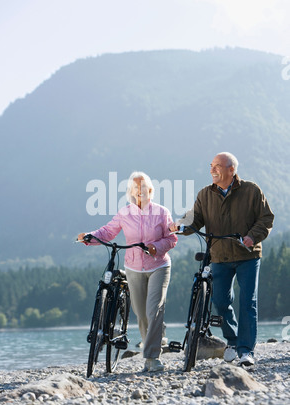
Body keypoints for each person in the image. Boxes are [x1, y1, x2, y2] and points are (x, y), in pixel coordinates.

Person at [170, 152, 274, 367]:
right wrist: (179, 226)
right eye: (211, 165)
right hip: (219, 255)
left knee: (248, 303)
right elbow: (195, 219)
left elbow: (266, 218)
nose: (212, 170)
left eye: (218, 166)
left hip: (248, 254)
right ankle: (233, 341)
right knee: (220, 301)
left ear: (231, 169)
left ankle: (246, 351)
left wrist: (252, 236)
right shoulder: (205, 194)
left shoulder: (251, 190)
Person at [78, 171, 177, 372]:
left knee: (153, 309)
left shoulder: (161, 212)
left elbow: (171, 239)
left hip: (158, 265)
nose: (139, 191)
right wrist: (89, 236)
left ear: (150, 190)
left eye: (143, 188)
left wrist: (155, 247)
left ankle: (151, 358)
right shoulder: (125, 213)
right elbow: (107, 231)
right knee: (141, 314)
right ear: (131, 192)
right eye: (135, 188)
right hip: (133, 267)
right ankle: (153, 341)